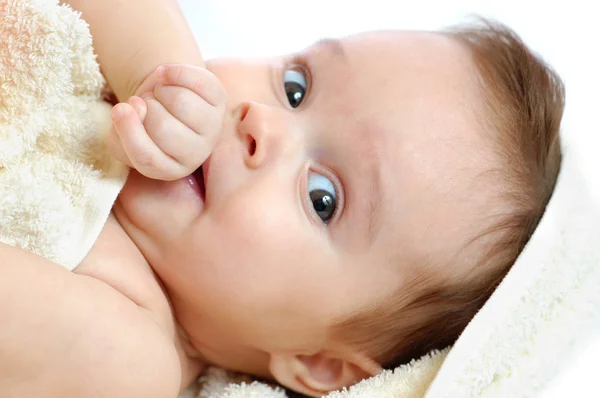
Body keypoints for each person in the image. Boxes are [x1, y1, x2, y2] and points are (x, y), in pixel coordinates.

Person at [0, 0, 564, 397]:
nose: (260, 123)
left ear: (319, 362)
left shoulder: (124, 357)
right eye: (296, 86)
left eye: (323, 199)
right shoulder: (130, 87)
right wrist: (163, 72)